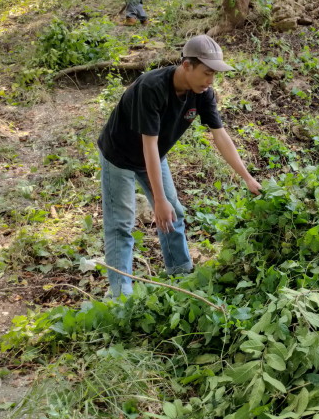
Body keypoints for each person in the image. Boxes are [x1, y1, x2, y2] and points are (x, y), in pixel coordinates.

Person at [97, 35, 262, 298]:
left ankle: (181, 272)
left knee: (174, 212)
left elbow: (220, 135)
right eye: (207, 73)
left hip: (154, 154)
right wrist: (158, 200)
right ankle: (121, 294)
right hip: (120, 155)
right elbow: (147, 144)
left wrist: (247, 178)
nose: (210, 81)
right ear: (187, 65)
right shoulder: (151, 87)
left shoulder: (203, 93)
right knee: (120, 224)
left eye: (214, 75)